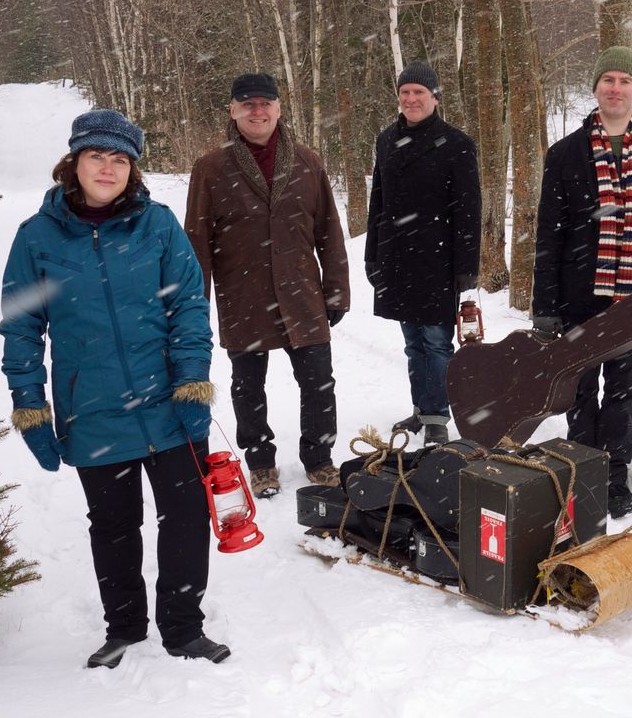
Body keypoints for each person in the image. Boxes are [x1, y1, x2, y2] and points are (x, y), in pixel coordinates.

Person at [0, 109, 230, 669]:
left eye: (120, 159)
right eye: (96, 156)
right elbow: (22, 326)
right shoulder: (36, 238)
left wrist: (193, 380)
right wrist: (30, 404)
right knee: (113, 524)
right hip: (93, 409)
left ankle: (182, 628)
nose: (107, 168)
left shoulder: (157, 225)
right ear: (73, 163)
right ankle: (124, 627)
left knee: (187, 516)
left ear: (133, 169)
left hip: (169, 404)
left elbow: (189, 307)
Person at [532, 46, 632, 520]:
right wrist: (545, 304)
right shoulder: (566, 154)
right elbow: (549, 232)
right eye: (608, 80)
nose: (615, 89)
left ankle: (614, 475)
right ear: (595, 88)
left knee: (623, 392)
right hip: (579, 295)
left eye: (624, 81)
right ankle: (581, 471)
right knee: (579, 390)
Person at [186, 73, 349, 499]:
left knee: (319, 382)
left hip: (302, 293)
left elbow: (328, 231)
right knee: (247, 385)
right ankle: (260, 461)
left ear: (278, 108)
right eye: (247, 104)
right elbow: (197, 241)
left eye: (265, 104)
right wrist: (192, 306)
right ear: (233, 111)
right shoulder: (211, 168)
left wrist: (336, 288)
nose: (257, 112)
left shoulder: (308, 161)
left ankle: (319, 457)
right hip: (244, 295)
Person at [365, 60, 481, 446]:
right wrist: (371, 254)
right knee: (412, 341)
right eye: (405, 93)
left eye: (419, 92)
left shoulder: (457, 144)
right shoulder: (385, 140)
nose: (411, 99)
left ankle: (437, 416)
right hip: (397, 257)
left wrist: (467, 266)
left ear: (435, 97)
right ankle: (421, 408)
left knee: (435, 341)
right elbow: (377, 200)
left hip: (438, 259)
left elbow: (469, 209)